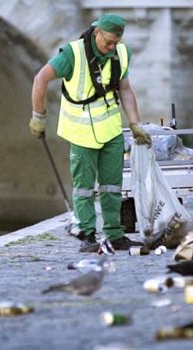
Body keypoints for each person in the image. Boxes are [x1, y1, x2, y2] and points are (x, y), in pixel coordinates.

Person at [30, 13, 152, 252]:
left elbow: (125, 89)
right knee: (84, 187)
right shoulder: (73, 54)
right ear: (97, 32)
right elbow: (40, 79)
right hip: (81, 131)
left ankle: (115, 235)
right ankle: (87, 235)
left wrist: (135, 123)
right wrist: (38, 116)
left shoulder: (121, 53)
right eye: (108, 42)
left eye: (115, 43)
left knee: (112, 186)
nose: (111, 47)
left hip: (110, 130)